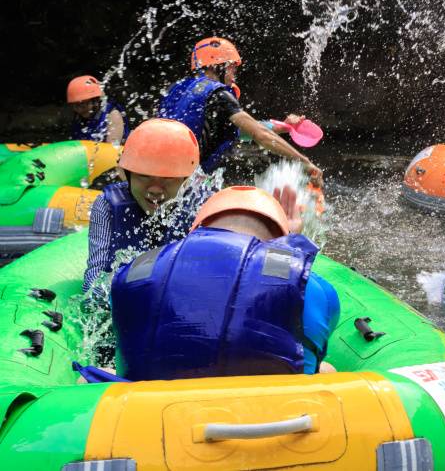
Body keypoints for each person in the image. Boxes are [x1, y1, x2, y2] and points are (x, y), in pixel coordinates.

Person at [111, 185, 338, 379]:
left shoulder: (132, 272)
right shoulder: (314, 288)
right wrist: (290, 247)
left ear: (196, 231)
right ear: (276, 243)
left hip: (153, 411)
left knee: (104, 373)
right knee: (326, 371)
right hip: (268, 413)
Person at [82, 118, 217, 300]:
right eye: (144, 176)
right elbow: (94, 279)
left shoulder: (204, 209)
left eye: (168, 179)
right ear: (128, 174)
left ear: (187, 180)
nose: (154, 189)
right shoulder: (106, 205)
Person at [158, 36, 322, 183]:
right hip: (185, 183)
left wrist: (282, 126)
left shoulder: (175, 90)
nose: (234, 75)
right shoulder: (218, 94)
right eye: (232, 68)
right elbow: (261, 135)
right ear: (217, 66)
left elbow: (240, 130)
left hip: (159, 172)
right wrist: (304, 161)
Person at [66, 75, 129, 144]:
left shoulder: (113, 116)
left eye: (83, 104)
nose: (79, 110)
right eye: (75, 105)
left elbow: (112, 148)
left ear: (95, 101)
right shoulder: (79, 119)